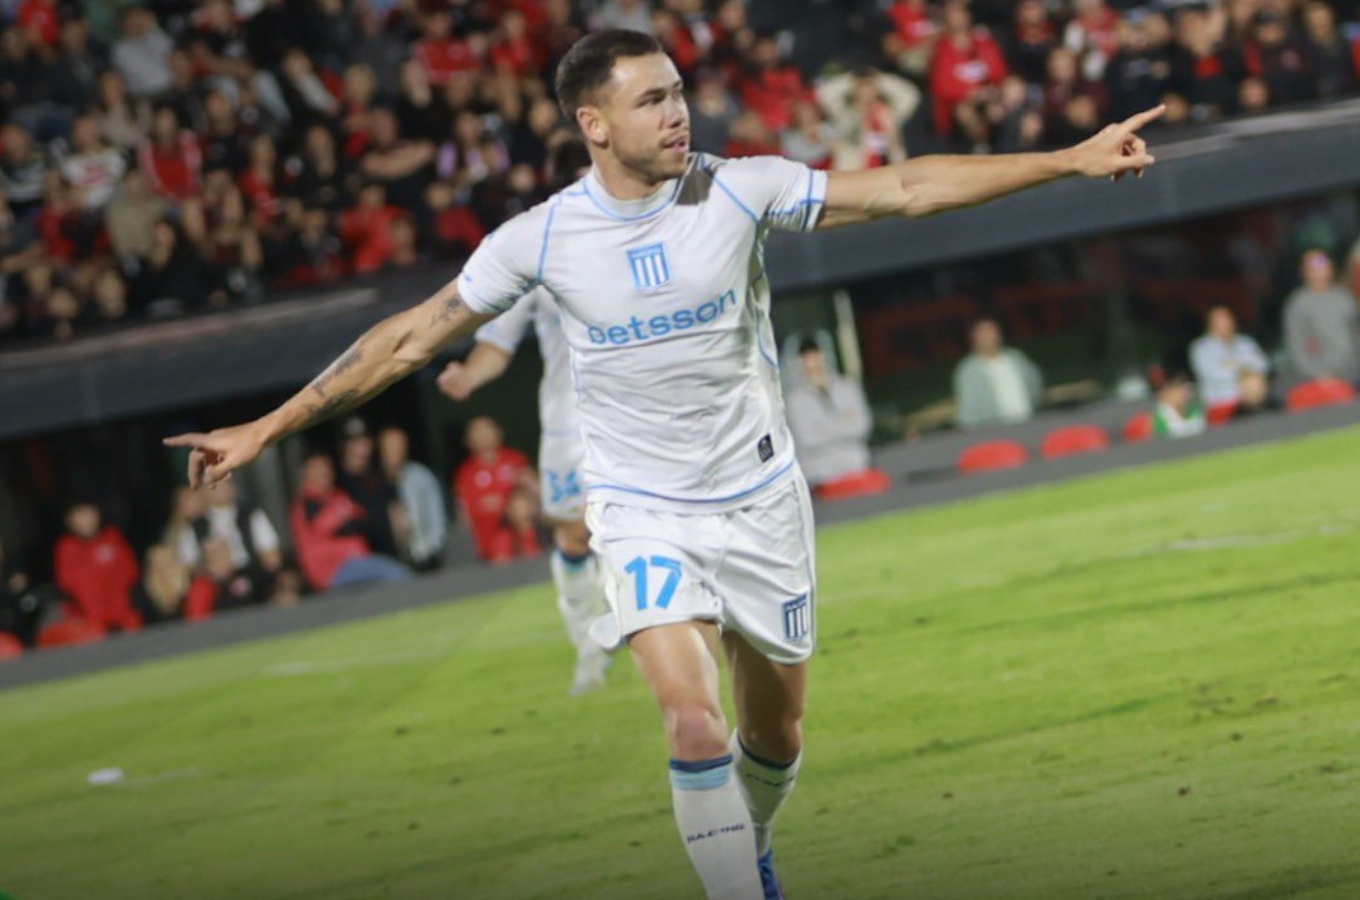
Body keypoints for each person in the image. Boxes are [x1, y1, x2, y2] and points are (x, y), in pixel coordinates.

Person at [165, 28, 1162, 899]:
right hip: (641, 507)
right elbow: (410, 337)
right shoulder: (543, 238)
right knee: (691, 724)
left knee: (776, 736)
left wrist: (1066, 159)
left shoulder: (741, 188)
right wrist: (269, 427)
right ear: (593, 124)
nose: (678, 113)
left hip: (761, 500)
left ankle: (750, 843)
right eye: (651, 101)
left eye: (678, 92)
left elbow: (905, 187)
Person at [439, 291, 612, 692]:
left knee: (632, 523)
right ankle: (589, 644)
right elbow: (497, 343)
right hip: (568, 422)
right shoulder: (534, 261)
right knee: (575, 533)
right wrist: (469, 376)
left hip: (638, 411)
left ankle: (643, 624)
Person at [784, 337, 890, 500]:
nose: (812, 362)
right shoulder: (794, 400)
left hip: (857, 464)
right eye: (805, 358)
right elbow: (808, 438)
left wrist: (824, 428)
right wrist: (843, 423)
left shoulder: (847, 387)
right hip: (821, 473)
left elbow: (862, 426)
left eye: (815, 355)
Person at [290, 452, 410, 592]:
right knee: (391, 571)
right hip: (332, 570)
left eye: (326, 468)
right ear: (306, 473)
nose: (323, 473)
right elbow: (324, 526)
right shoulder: (305, 503)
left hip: (356, 561)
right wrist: (342, 515)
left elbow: (362, 520)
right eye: (317, 468)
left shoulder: (337, 496)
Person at [453, 415, 541, 563]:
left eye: (488, 429)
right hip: (490, 535)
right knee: (502, 541)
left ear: (499, 433)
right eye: (477, 431)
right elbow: (464, 514)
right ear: (468, 440)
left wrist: (529, 486)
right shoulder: (465, 473)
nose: (484, 435)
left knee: (521, 504)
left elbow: (539, 492)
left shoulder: (515, 460)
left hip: (524, 529)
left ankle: (533, 554)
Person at [53, 500, 141, 632]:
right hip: (89, 624)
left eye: (88, 514)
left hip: (124, 619)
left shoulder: (112, 538)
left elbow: (131, 573)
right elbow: (68, 584)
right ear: (70, 521)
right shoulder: (67, 548)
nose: (85, 520)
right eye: (79, 516)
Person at [377, 425, 449, 572]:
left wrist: (430, 555)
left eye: (399, 445)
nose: (395, 450)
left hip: (425, 558)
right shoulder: (373, 482)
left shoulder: (420, 476)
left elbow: (437, 519)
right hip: (389, 561)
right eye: (390, 445)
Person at [1283, 249, 1360, 385]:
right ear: (1303, 271)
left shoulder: (1345, 298)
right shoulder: (1298, 304)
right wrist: (1316, 374)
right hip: (1322, 379)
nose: (1318, 271)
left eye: (1322, 264)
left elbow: (1356, 333)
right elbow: (1296, 344)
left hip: (1354, 373)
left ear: (1331, 267)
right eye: (1312, 267)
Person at [953, 318, 1045, 428]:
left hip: (1029, 423)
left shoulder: (1017, 358)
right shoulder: (968, 371)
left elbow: (1036, 385)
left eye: (993, 331)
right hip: (997, 431)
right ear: (974, 338)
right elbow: (968, 410)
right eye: (984, 333)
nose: (990, 336)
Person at [335, 416, 403, 558]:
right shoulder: (337, 482)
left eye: (364, 440)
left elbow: (394, 510)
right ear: (344, 446)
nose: (361, 446)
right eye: (354, 442)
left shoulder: (379, 475)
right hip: (360, 557)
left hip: (390, 553)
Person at [1189, 306, 1270, 414]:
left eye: (1227, 318)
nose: (1225, 323)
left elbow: (1263, 365)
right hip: (1220, 403)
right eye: (1219, 320)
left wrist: (1233, 365)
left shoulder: (1246, 342)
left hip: (1252, 401)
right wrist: (1244, 370)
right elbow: (1212, 374)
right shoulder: (1200, 348)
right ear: (1210, 324)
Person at [1153, 372, 1206, 438]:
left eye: (1183, 389)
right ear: (1165, 394)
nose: (1182, 394)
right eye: (1176, 391)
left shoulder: (1194, 408)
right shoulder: (1160, 418)